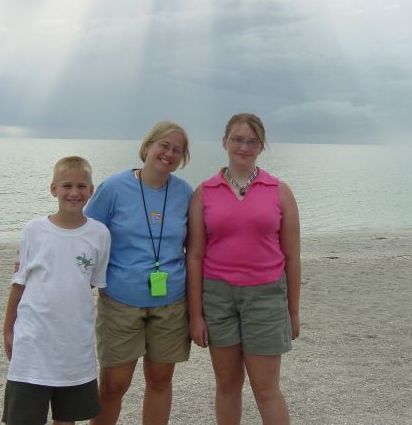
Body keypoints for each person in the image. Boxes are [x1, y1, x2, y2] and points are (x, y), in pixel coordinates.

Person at [186, 113, 301, 425]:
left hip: (266, 297)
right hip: (218, 298)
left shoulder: (279, 191)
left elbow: (292, 256)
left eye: (252, 141)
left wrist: (292, 311)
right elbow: (194, 256)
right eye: (237, 139)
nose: (244, 146)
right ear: (225, 142)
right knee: (226, 386)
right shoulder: (204, 192)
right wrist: (196, 315)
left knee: (266, 390)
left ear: (261, 147)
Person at [85, 121, 193, 425]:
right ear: (147, 147)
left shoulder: (185, 193)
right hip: (121, 300)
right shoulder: (113, 188)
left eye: (178, 150)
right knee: (113, 385)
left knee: (160, 381)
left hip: (170, 303)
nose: (169, 153)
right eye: (164, 145)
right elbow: (85, 237)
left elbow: (196, 248)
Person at [2, 156, 111, 425]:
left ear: (91, 190)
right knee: (23, 418)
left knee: (67, 418)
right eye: (67, 186)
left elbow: (91, 281)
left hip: (74, 346)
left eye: (81, 186)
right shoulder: (34, 230)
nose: (74, 193)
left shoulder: (100, 234)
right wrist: (8, 329)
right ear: (53, 189)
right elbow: (20, 282)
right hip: (33, 343)